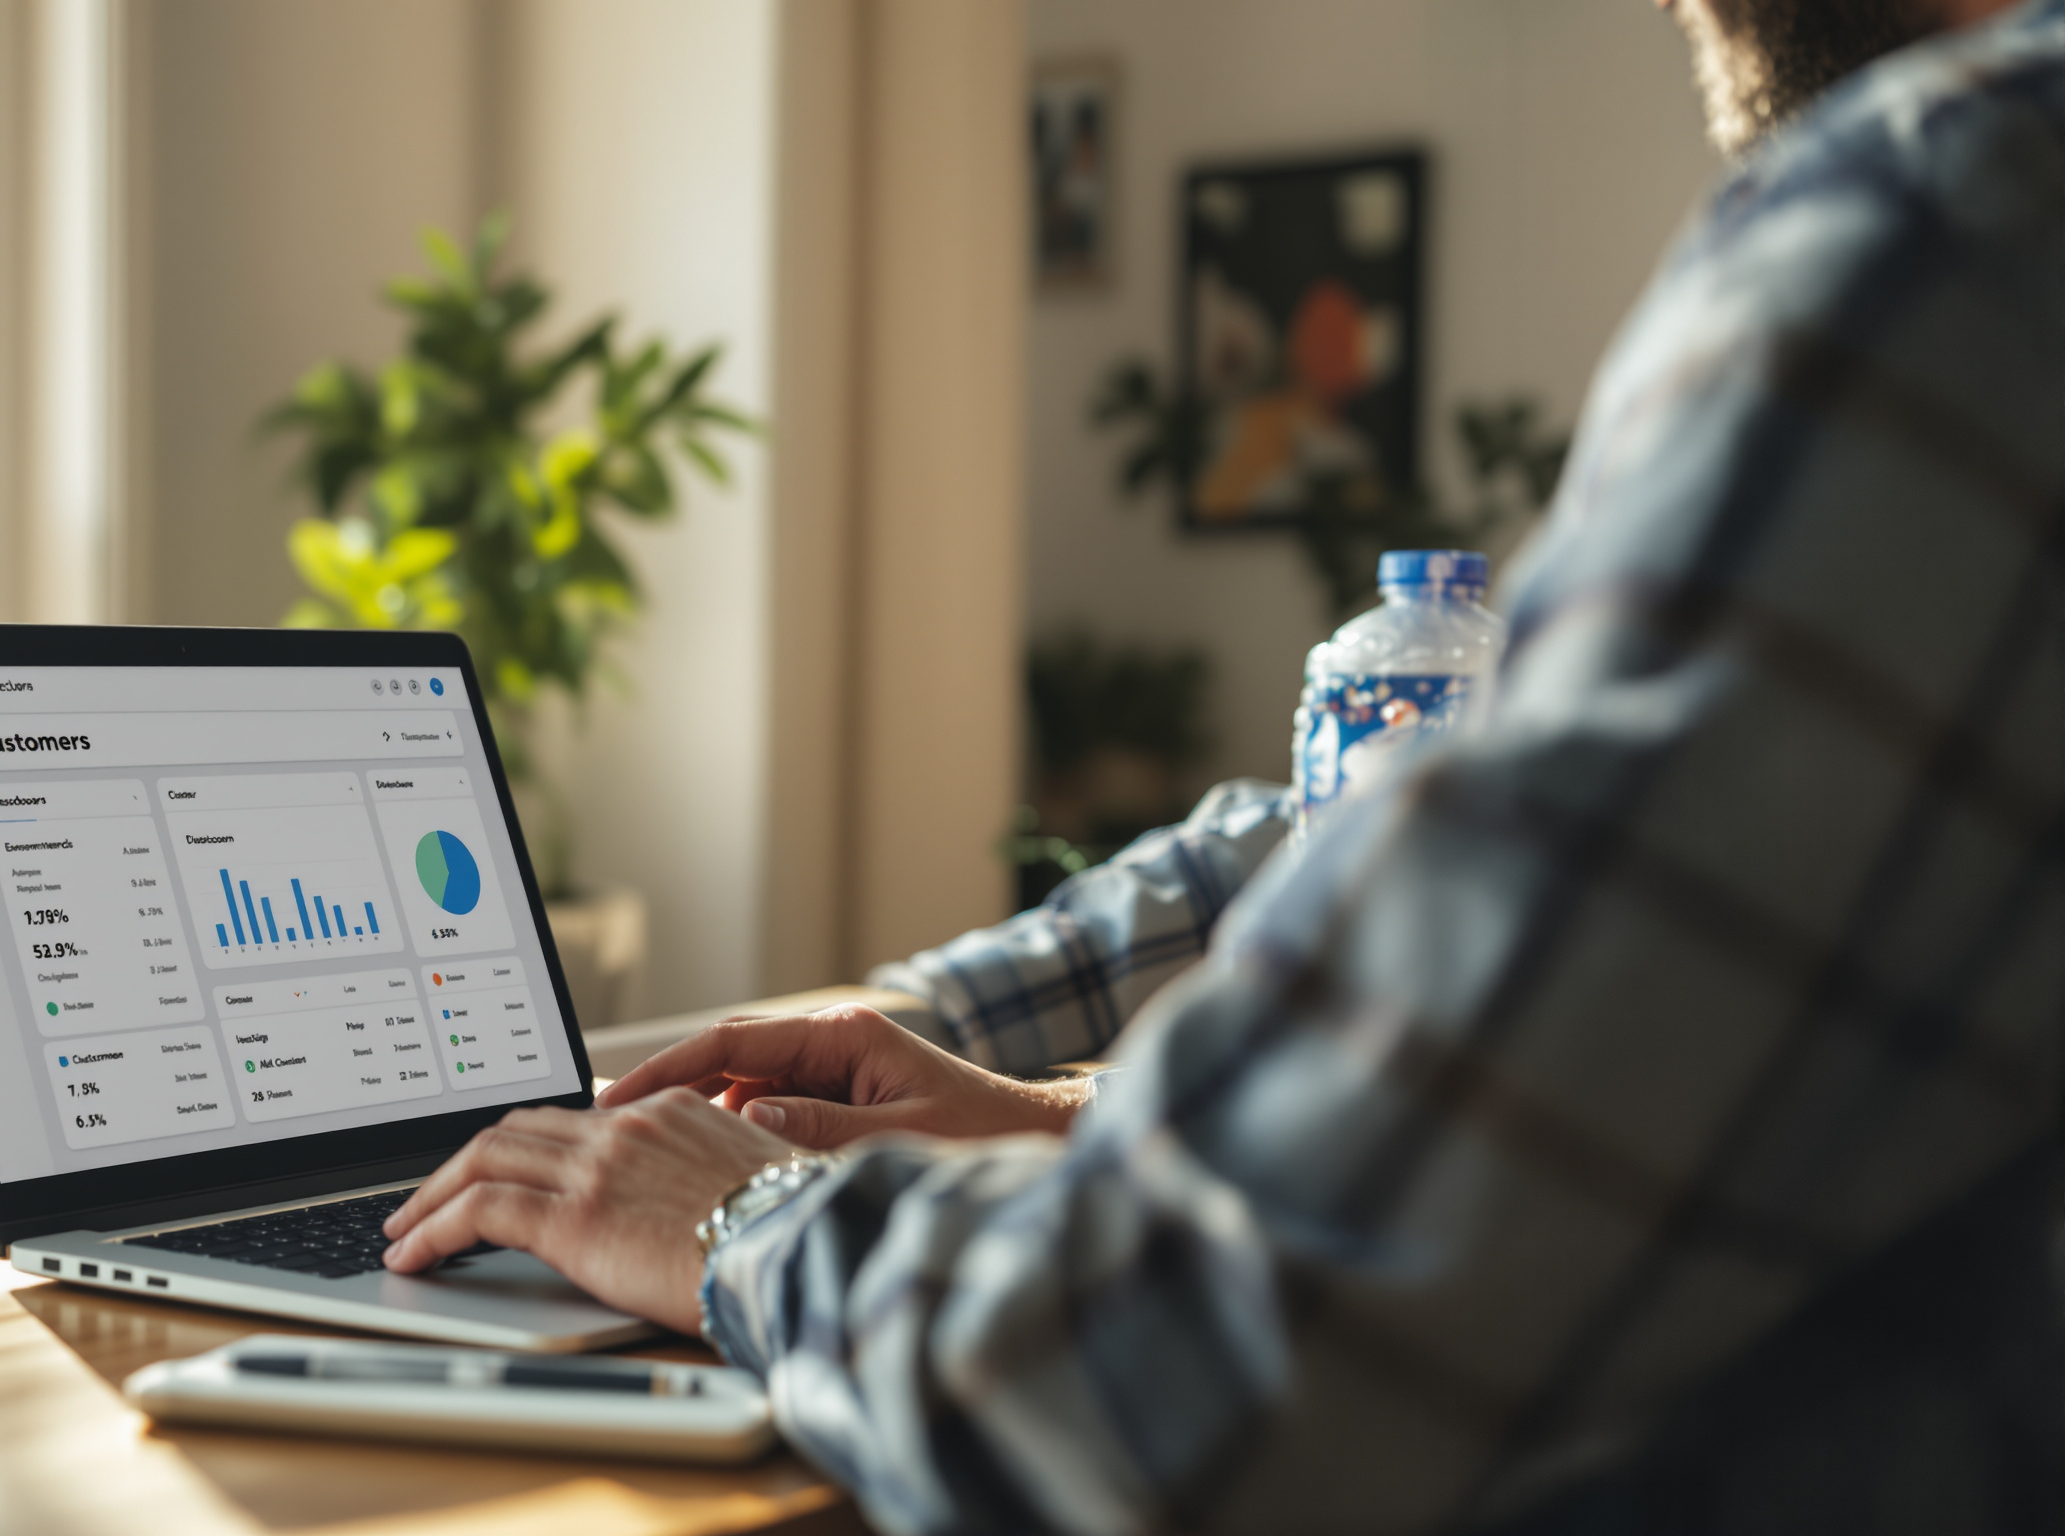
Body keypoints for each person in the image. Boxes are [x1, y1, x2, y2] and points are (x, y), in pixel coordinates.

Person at [382, 0, 2065, 1529]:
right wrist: (1005, 1083)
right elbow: (1441, 818)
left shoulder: (1969, 223)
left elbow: (1166, 1390)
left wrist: (736, 1226)